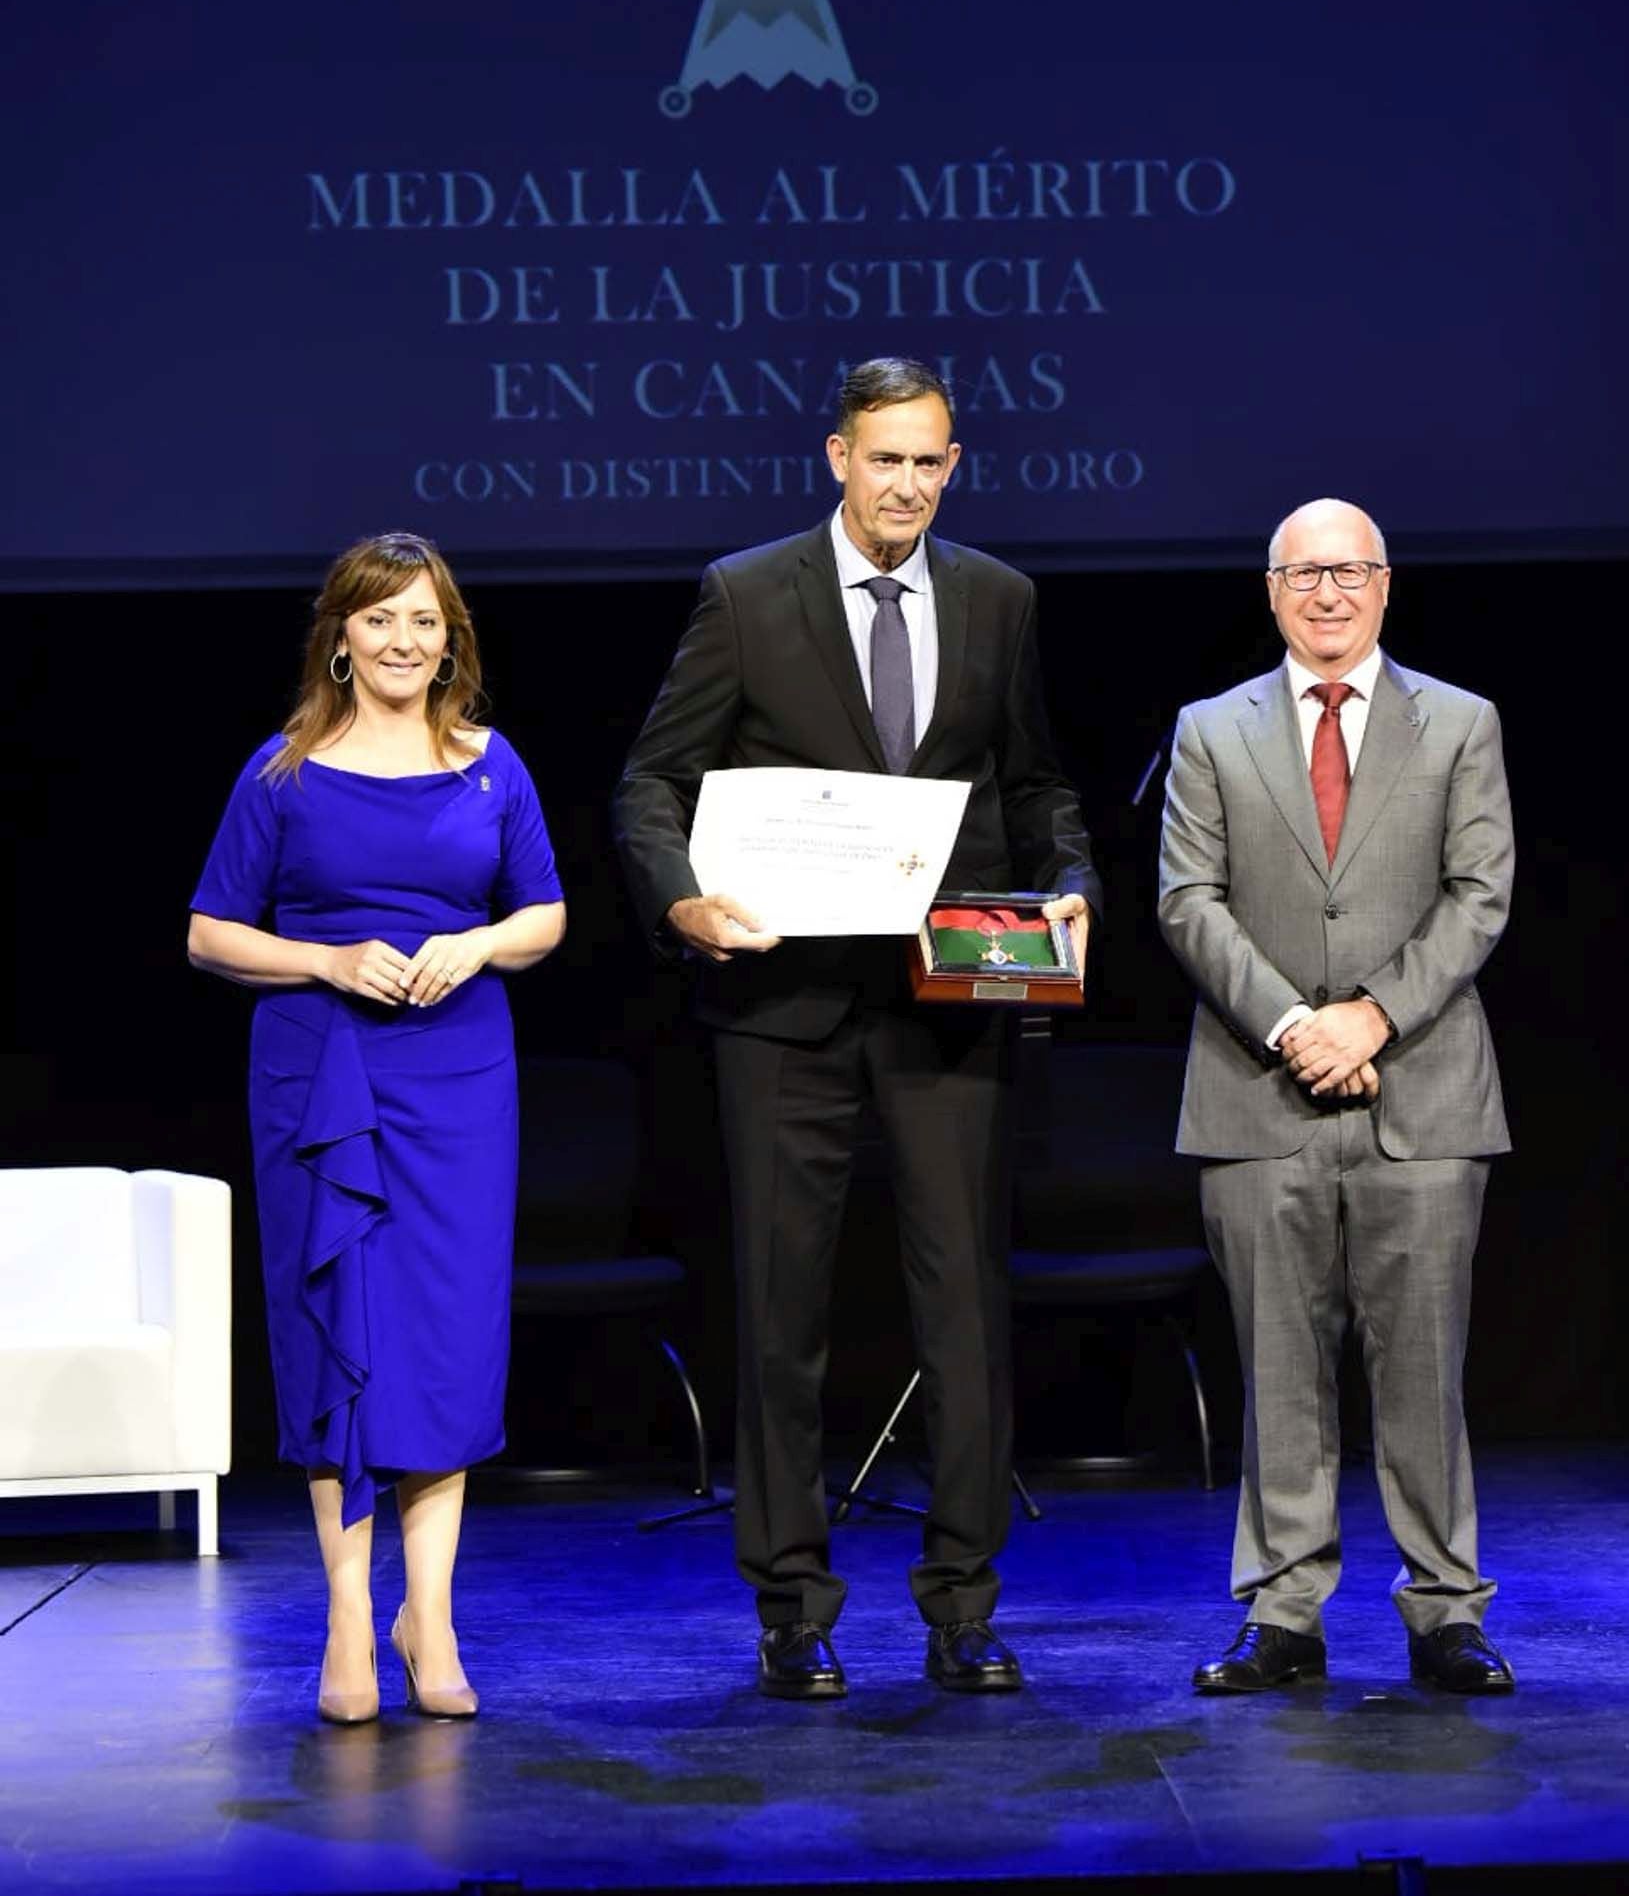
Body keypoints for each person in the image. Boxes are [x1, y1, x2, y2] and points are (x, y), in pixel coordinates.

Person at [614, 357, 1096, 1701]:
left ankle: (962, 1605)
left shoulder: (999, 598)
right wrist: (684, 900)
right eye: (883, 458)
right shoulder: (746, 593)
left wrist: (1071, 894)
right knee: (781, 1314)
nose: (905, 485)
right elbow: (652, 778)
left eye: (928, 461)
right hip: (782, 1008)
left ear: (954, 463)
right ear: (837, 457)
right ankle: (791, 1603)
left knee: (965, 1314)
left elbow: (1041, 783)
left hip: (955, 1000)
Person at [188, 532, 565, 1724]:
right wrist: (328, 958)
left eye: (424, 619)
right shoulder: (283, 770)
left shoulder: (489, 764)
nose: (404, 640)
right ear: (340, 637)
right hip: (322, 1068)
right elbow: (209, 932)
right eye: (380, 619)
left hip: (459, 1072)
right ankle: (351, 1613)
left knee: (446, 1334)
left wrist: (478, 940)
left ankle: (431, 1613)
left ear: (450, 636)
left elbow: (546, 911)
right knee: (333, 1327)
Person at [1157, 497, 1515, 1698]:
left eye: (1348, 570)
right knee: (1279, 1370)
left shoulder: (1461, 721)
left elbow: (1478, 891)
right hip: (1257, 1095)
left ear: (1384, 582)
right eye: (1302, 572)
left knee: (1423, 1366)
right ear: (1269, 589)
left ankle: (1445, 1611)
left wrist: (1370, 1011)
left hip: (1424, 1095)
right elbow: (1185, 901)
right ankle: (1283, 1613)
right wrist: (1294, 1024)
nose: (1326, 591)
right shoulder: (1210, 728)